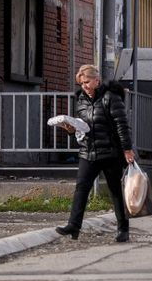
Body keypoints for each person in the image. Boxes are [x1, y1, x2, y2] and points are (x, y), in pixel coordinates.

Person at [57, 64, 136, 243]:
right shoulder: (81, 101)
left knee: (115, 190)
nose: (84, 86)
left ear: (96, 80)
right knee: (81, 188)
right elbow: (82, 127)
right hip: (88, 152)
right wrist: (70, 129)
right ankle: (73, 226)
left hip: (110, 152)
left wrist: (127, 149)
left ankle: (123, 229)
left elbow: (122, 125)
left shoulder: (111, 97)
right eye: (81, 83)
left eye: (87, 82)